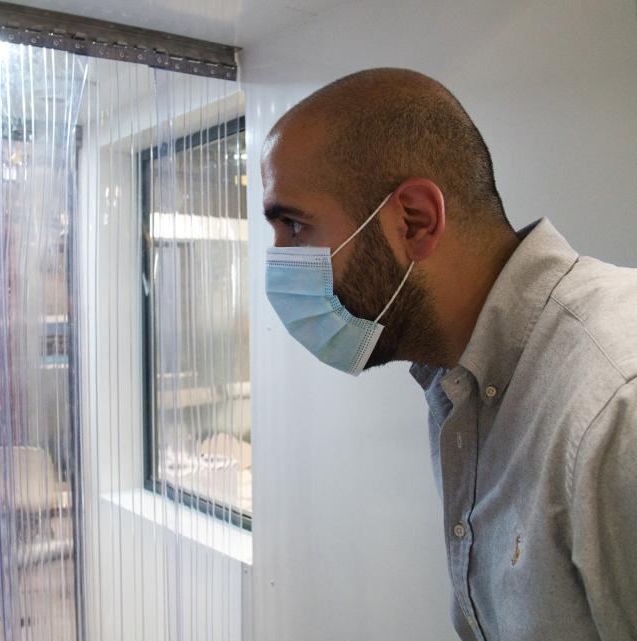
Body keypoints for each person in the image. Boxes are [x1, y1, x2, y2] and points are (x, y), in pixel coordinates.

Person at [261, 68, 636, 641]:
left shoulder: (614, 405)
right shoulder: (457, 379)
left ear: (415, 220)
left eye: (294, 226)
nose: (279, 263)